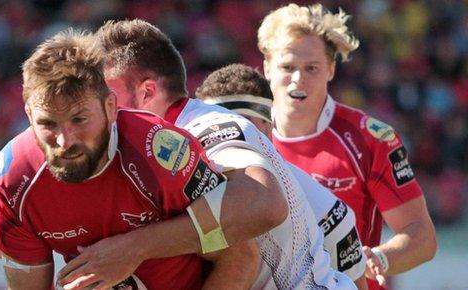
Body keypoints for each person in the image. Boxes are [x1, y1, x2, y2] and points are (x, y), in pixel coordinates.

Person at [0, 31, 263, 290]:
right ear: (27, 115)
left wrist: (135, 248)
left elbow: (240, 255)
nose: (64, 139)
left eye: (79, 119)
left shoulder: (161, 151)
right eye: (47, 123)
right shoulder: (11, 178)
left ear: (109, 108)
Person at [58, 19, 356, 289]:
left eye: (108, 98)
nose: (101, 111)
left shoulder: (207, 128)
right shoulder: (150, 153)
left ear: (147, 92)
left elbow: (263, 203)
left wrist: (134, 248)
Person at [256, 3, 437, 289]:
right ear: (267, 68)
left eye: (311, 68)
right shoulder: (248, 136)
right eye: (287, 67)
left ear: (330, 69)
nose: (298, 79)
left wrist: (379, 258)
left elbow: (422, 237)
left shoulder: (370, 139)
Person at [196, 63, 368, 289]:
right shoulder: (188, 184)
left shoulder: (327, 212)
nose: (223, 141)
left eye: (239, 126)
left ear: (269, 128)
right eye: (210, 128)